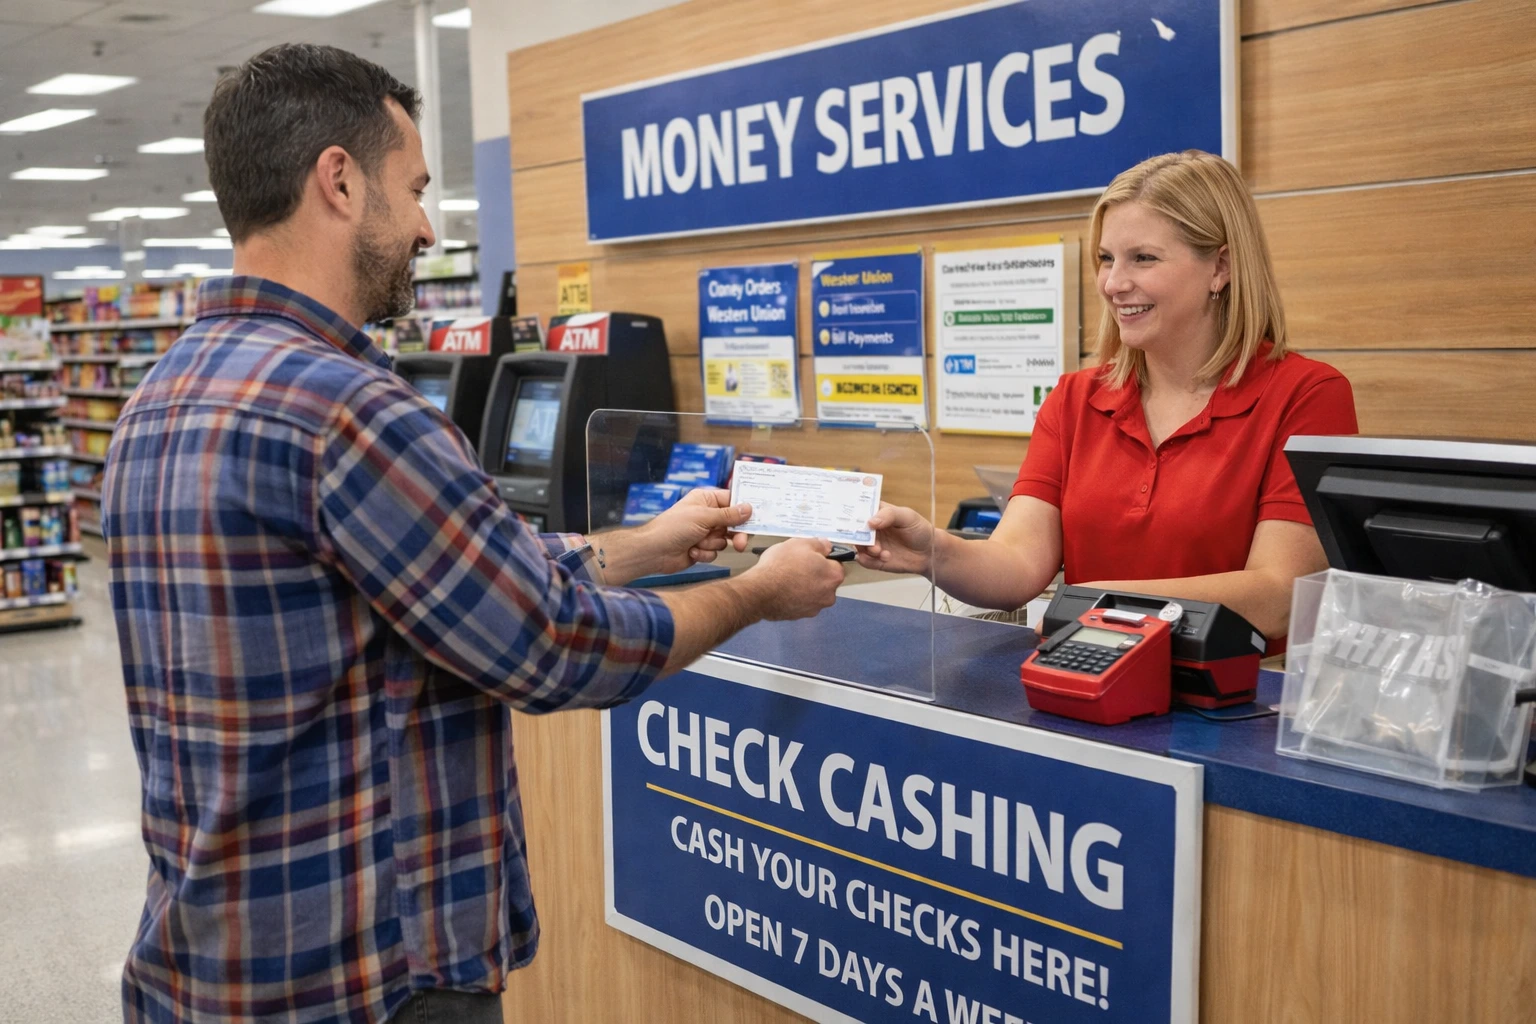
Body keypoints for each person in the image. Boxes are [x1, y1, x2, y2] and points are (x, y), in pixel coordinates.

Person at [103, 43, 843, 1024]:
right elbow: (550, 648)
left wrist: (641, 545)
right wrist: (758, 592)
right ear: (337, 180)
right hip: (367, 977)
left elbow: (425, 588)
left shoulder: (161, 396)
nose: (425, 226)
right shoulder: (351, 409)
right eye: (411, 189)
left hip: (211, 960)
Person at [858, 150, 1357, 641]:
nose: (1114, 283)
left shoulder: (1307, 395)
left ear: (1220, 267)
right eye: (1106, 259)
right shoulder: (1075, 399)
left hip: (1231, 706)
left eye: (1143, 258)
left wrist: (1096, 602)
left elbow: (1279, 596)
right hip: (1085, 687)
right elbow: (1015, 564)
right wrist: (931, 552)